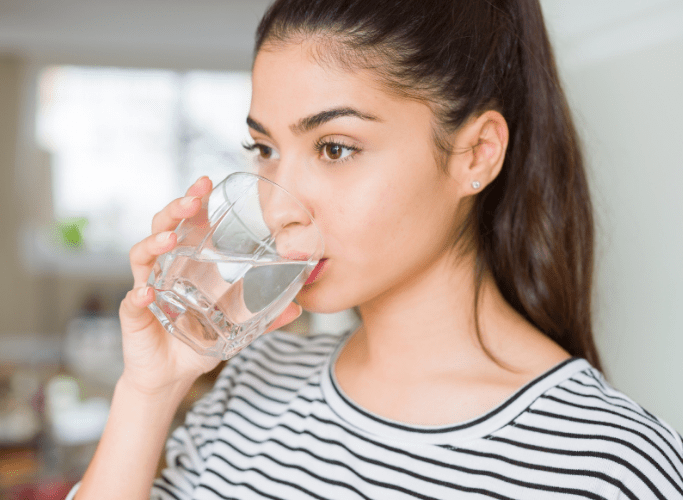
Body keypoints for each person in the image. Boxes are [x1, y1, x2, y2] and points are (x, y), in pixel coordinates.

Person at [67, 0, 683, 498]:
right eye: (265, 149)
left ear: (476, 154)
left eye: (335, 148)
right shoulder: (254, 381)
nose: (279, 206)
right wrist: (149, 391)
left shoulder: (607, 466)